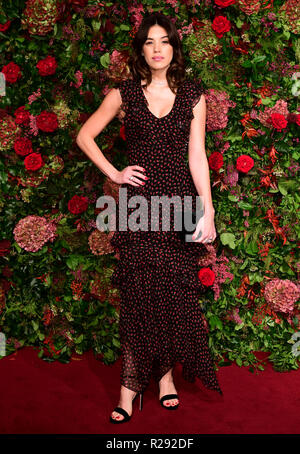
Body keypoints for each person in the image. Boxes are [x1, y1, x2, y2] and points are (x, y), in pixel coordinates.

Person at [76, 12, 223, 425]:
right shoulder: (124, 93)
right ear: (141, 50)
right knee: (139, 293)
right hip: (138, 207)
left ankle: (165, 380)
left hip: (178, 207)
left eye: (165, 41)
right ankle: (129, 385)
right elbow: (85, 135)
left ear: (174, 48)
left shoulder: (194, 94)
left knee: (172, 294)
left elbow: (197, 157)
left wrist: (208, 210)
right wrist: (114, 172)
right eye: (150, 42)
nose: (157, 49)